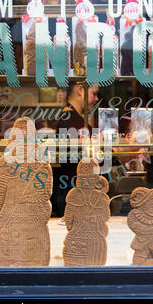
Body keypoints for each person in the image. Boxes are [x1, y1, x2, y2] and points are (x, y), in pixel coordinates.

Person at [51, 83, 100, 219]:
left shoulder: (74, 119)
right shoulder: (70, 120)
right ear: (80, 89)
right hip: (76, 194)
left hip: (78, 191)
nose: (96, 99)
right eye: (94, 94)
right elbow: (80, 157)